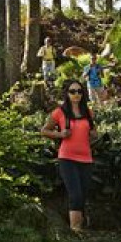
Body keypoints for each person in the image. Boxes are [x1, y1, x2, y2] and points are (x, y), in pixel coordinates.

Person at [41, 79, 97, 231]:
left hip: (86, 158)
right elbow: (44, 130)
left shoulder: (88, 112)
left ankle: (81, 228)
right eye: (72, 91)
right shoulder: (60, 112)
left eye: (79, 91)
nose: (76, 94)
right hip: (67, 158)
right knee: (75, 195)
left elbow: (93, 133)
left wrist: (94, 134)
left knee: (83, 195)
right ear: (66, 94)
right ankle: (75, 230)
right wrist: (60, 134)